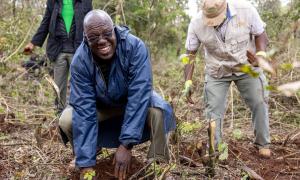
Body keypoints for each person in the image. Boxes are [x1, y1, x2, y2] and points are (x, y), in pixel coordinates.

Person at [58, 10, 176, 179]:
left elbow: (139, 95)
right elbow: (85, 111)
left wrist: (126, 144)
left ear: (114, 29)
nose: (102, 41)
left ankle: (159, 165)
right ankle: (86, 154)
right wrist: (86, 166)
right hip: (102, 106)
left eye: (107, 33)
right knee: (67, 120)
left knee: (159, 111)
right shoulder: (80, 61)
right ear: (85, 37)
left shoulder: (135, 47)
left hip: (132, 102)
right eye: (93, 37)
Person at [183, 0, 271, 157]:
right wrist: (188, 81)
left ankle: (262, 143)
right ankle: (215, 149)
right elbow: (190, 54)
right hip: (217, 70)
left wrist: (260, 56)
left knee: (259, 100)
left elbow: (261, 34)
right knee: (213, 110)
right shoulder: (196, 23)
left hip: (246, 65)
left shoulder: (246, 9)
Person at [24, 0, 93, 113]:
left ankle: (78, 113)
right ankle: (59, 114)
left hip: (78, 49)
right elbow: (46, 22)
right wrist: (33, 43)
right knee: (58, 86)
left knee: (80, 84)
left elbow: (91, 23)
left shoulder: (85, 2)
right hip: (58, 50)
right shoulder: (53, 2)